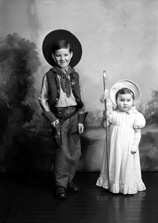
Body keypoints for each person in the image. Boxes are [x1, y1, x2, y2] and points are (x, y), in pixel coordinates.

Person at [39, 29, 85, 199]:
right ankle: (60, 184)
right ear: (53, 57)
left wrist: (80, 119)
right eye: (59, 56)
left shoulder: (75, 75)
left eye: (65, 55)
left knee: (75, 152)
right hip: (59, 118)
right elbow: (42, 99)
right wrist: (52, 119)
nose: (62, 59)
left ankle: (68, 180)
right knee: (61, 152)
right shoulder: (49, 76)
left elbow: (79, 98)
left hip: (74, 117)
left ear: (71, 55)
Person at [96, 79, 146, 195]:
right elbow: (105, 126)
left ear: (133, 101)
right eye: (121, 100)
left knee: (126, 163)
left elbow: (138, 133)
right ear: (116, 101)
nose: (125, 103)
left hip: (128, 145)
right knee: (114, 161)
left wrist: (134, 146)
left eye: (128, 100)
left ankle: (126, 185)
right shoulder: (113, 113)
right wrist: (106, 118)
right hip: (114, 144)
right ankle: (114, 184)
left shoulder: (136, 116)